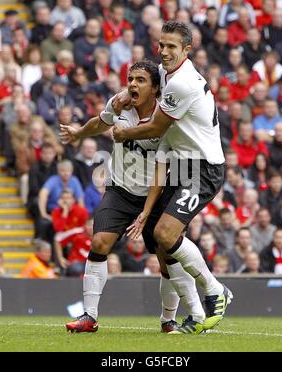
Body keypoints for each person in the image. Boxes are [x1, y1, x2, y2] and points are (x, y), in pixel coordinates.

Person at [61, 60, 203, 334]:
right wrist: (79, 133)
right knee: (100, 241)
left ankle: (168, 319)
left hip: (157, 194)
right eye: (131, 79)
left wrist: (146, 214)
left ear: (155, 89)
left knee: (166, 257)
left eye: (140, 80)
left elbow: (160, 173)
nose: (133, 84)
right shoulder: (119, 104)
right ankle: (89, 316)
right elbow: (100, 123)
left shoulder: (167, 119)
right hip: (120, 190)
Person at [113, 22, 233, 334]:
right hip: (179, 163)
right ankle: (193, 315)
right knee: (162, 248)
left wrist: (123, 133)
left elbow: (154, 128)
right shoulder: (168, 74)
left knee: (166, 234)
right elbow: (150, 84)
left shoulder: (183, 83)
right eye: (161, 45)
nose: (164, 52)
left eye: (171, 47)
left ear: (187, 50)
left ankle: (215, 289)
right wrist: (129, 92)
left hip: (203, 168)